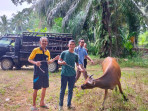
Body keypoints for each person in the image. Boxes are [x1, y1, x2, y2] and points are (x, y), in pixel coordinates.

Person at [28, 37, 59, 111]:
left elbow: (48, 62)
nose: (44, 42)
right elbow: (29, 59)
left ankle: (42, 103)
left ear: (47, 43)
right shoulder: (35, 50)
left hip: (45, 72)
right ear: (40, 42)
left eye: (45, 41)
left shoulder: (47, 51)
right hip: (37, 73)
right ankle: (34, 105)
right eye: (43, 41)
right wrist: (35, 63)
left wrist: (54, 59)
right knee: (36, 88)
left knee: (44, 87)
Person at [58, 40, 82, 111]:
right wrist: (62, 62)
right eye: (70, 44)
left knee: (70, 90)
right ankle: (60, 106)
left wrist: (80, 68)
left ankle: (69, 104)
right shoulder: (64, 53)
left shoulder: (75, 55)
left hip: (72, 75)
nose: (71, 46)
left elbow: (78, 65)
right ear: (68, 45)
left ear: (75, 46)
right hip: (64, 74)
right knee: (62, 90)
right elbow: (59, 62)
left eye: (73, 44)